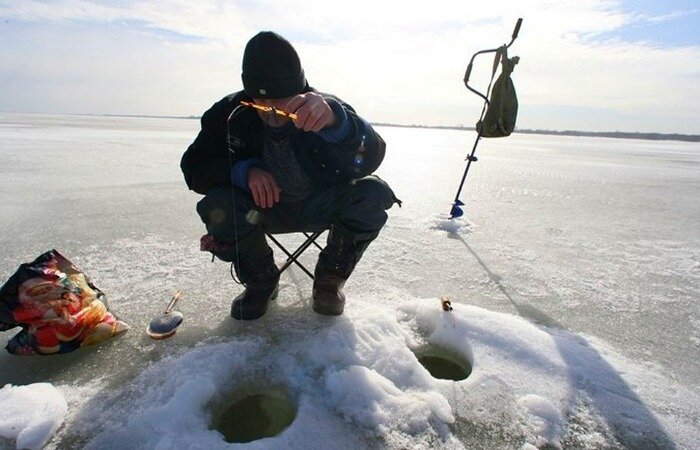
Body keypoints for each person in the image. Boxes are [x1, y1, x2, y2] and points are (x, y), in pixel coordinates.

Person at [181, 31, 398, 321]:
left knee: (374, 193)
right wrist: (242, 172)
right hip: (260, 213)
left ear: (300, 90)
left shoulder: (326, 109)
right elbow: (193, 167)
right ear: (249, 97)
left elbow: (373, 155)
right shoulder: (229, 113)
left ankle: (329, 282)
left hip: (320, 205)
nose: (274, 115)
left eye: (283, 103)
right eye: (263, 105)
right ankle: (261, 280)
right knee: (217, 204)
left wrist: (339, 124)